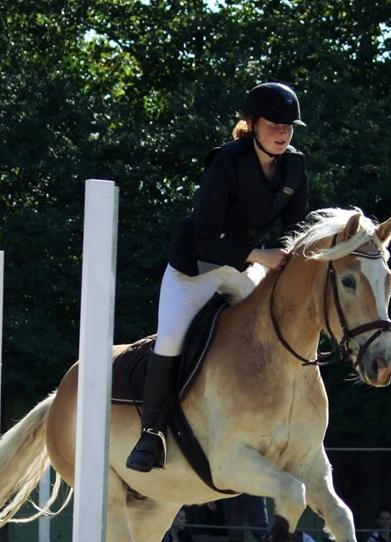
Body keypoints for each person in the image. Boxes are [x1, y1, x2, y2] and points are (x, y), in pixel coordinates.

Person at [126, 82, 309, 472]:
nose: (283, 133)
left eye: (289, 126)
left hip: (243, 268)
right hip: (195, 268)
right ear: (252, 124)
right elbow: (207, 239)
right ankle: (151, 435)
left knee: (272, 328)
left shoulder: (295, 165)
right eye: (274, 124)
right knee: (172, 338)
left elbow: (297, 230)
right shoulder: (225, 162)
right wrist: (262, 255)